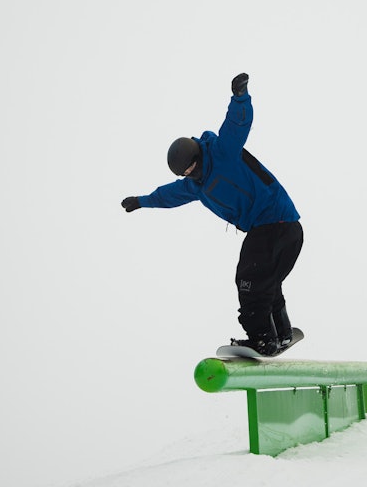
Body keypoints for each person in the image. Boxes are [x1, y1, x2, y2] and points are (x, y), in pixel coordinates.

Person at [121, 73, 303, 356]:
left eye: (192, 169)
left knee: (249, 279)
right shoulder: (197, 187)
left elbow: (237, 124)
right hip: (281, 227)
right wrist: (141, 201)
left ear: (197, 156)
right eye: (186, 175)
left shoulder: (222, 151)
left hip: (274, 222)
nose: (192, 175)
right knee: (266, 282)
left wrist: (240, 96)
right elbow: (168, 195)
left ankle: (261, 338)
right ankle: (279, 334)